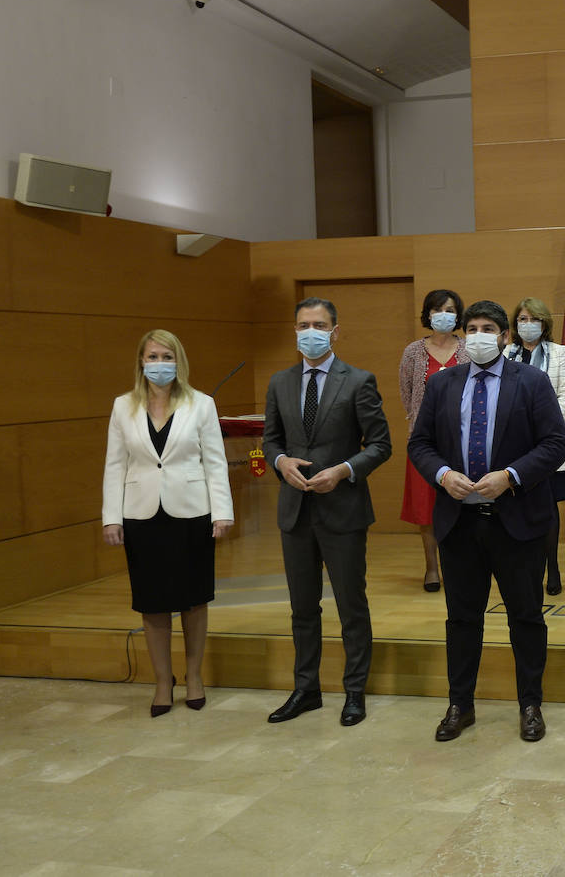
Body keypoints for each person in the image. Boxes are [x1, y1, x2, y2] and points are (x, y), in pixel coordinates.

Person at [409, 300, 565, 744]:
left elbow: (556, 444)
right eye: (472, 328)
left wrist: (511, 476)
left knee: (526, 617)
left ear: (503, 336)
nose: (479, 335)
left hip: (516, 520)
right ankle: (460, 703)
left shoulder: (532, 382)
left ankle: (530, 704)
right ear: (463, 335)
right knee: (462, 619)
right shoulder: (442, 384)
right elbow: (420, 443)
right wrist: (442, 474)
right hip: (458, 523)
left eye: (488, 328)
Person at [262, 297, 392, 728]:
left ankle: (354, 691)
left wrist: (344, 470)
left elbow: (380, 444)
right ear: (294, 329)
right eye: (303, 324)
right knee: (302, 607)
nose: (310, 331)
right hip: (295, 511)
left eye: (319, 324)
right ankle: (307, 689)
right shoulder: (280, 383)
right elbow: (272, 441)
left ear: (335, 331)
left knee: (351, 605)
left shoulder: (358, 380)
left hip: (343, 509)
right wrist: (280, 463)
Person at [102, 330, 233, 717]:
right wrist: (111, 517)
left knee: (194, 600)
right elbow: (114, 465)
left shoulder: (201, 404)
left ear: (180, 360)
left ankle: (194, 676)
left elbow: (215, 462)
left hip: (192, 512)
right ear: (141, 362)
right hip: (141, 515)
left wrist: (222, 511)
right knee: (152, 603)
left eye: (167, 356)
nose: (160, 363)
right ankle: (163, 682)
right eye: (153, 356)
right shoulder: (122, 406)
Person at [504, 296, 565, 596]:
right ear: (514, 324)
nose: (528, 325)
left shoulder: (560, 353)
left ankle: (553, 568)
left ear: (545, 323)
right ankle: (522, 569)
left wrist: (542, 426)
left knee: (547, 506)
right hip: (514, 445)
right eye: (522, 319)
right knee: (516, 505)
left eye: (534, 319)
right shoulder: (505, 352)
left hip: (550, 443)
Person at [398, 289, 468, 593]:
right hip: (424, 441)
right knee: (426, 509)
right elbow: (406, 391)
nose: (444, 314)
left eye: (450, 309)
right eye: (438, 309)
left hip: (463, 440)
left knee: (462, 504)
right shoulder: (413, 350)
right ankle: (431, 567)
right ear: (428, 314)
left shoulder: (467, 349)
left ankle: (462, 566)